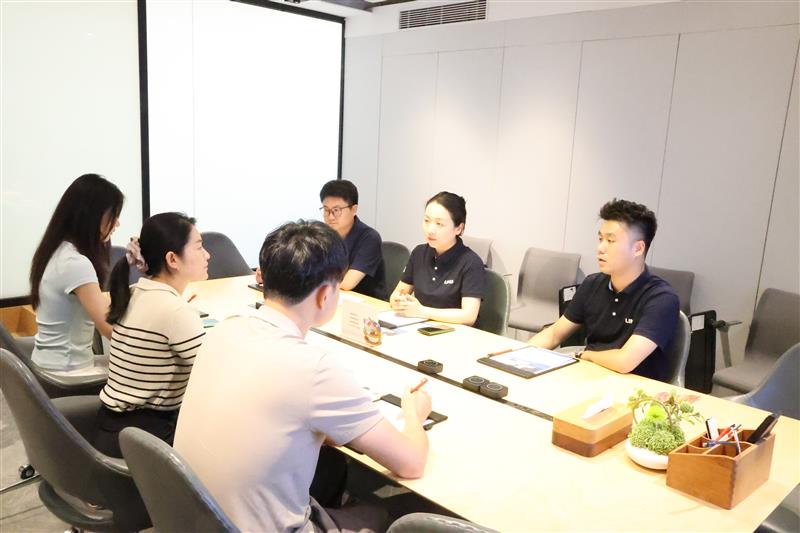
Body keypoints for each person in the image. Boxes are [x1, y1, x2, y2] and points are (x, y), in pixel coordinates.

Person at [174, 220, 432, 533]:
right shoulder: (315, 369)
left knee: (331, 468)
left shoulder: (225, 329)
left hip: (194, 518)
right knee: (389, 514)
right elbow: (411, 463)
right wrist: (414, 413)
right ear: (325, 295)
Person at [92, 212, 210, 458]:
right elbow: (216, 375)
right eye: (199, 247)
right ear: (172, 259)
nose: (207, 255)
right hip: (148, 444)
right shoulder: (176, 311)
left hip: (111, 432)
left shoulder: (134, 293)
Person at [529, 199, 680, 382]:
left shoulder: (661, 298)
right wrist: (518, 354)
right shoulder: (592, 284)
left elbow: (625, 361)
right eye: (600, 239)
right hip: (589, 377)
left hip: (634, 387)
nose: (600, 248)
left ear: (638, 248)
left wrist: (587, 355)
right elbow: (554, 334)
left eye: (610, 240)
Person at [29, 173, 124, 374]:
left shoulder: (57, 251)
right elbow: (109, 329)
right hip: (66, 374)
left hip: (49, 366)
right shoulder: (76, 264)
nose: (117, 223)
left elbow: (101, 305)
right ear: (92, 215)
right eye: (114, 215)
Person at [390, 192, 485, 326]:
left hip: (456, 332)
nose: (430, 229)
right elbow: (397, 294)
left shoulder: (471, 262)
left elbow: (468, 316)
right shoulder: (419, 253)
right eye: (426, 221)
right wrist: (398, 301)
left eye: (439, 224)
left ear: (459, 228)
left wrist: (422, 311)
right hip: (421, 326)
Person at [319, 179, 388, 300]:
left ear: (354, 209)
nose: (330, 216)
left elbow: (347, 284)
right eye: (326, 210)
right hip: (332, 298)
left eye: (336, 210)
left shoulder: (370, 238)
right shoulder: (323, 235)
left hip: (365, 304)